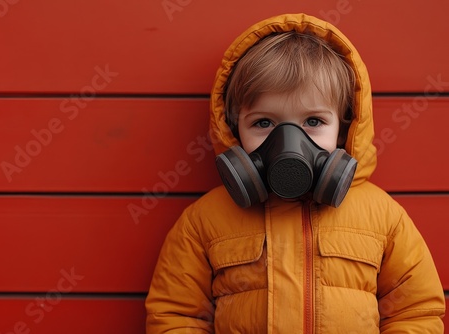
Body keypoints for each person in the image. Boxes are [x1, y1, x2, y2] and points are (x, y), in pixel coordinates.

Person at [145, 13, 446, 333]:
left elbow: (415, 312)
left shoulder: (383, 217)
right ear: (234, 129)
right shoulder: (204, 221)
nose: (289, 143)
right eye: (264, 123)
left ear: (344, 128)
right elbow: (176, 316)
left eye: (313, 122)